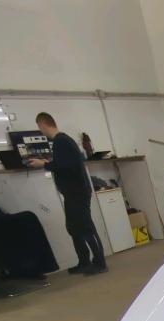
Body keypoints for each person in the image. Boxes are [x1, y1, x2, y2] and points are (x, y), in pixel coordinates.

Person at [27, 113, 107, 276]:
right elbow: (65, 163)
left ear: (43, 125)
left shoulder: (61, 141)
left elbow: (66, 166)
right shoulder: (62, 141)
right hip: (72, 193)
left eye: (40, 128)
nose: (41, 131)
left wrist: (44, 164)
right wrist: (49, 163)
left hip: (77, 192)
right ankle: (84, 262)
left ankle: (100, 262)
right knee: (73, 228)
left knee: (86, 228)